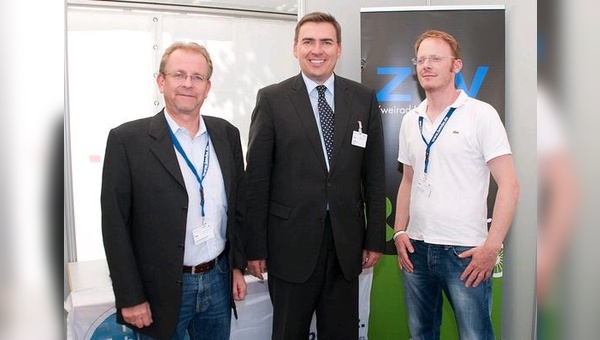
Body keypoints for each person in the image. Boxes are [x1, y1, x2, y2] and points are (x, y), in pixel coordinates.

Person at [244, 11, 386, 340]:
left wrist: (374, 237)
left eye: (326, 42)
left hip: (346, 247)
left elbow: (374, 177)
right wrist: (255, 247)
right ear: (295, 48)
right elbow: (257, 180)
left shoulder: (363, 99)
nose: (316, 50)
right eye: (308, 41)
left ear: (339, 48)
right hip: (288, 245)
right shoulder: (272, 99)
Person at [101, 41, 247, 340]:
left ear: (207, 87)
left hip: (217, 280)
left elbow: (238, 208)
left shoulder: (226, 135)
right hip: (160, 290)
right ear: (161, 81)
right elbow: (114, 225)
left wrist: (235, 268)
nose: (188, 84)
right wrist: (130, 296)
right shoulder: (127, 141)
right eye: (179, 74)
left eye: (197, 77)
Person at [393, 30, 519, 340]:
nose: (426, 65)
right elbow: (408, 180)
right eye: (421, 60)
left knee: (475, 335)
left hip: (464, 251)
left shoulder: (481, 115)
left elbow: (510, 185)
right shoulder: (411, 120)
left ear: (457, 65)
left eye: (436, 58)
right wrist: (398, 231)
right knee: (421, 335)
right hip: (417, 249)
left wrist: (492, 247)